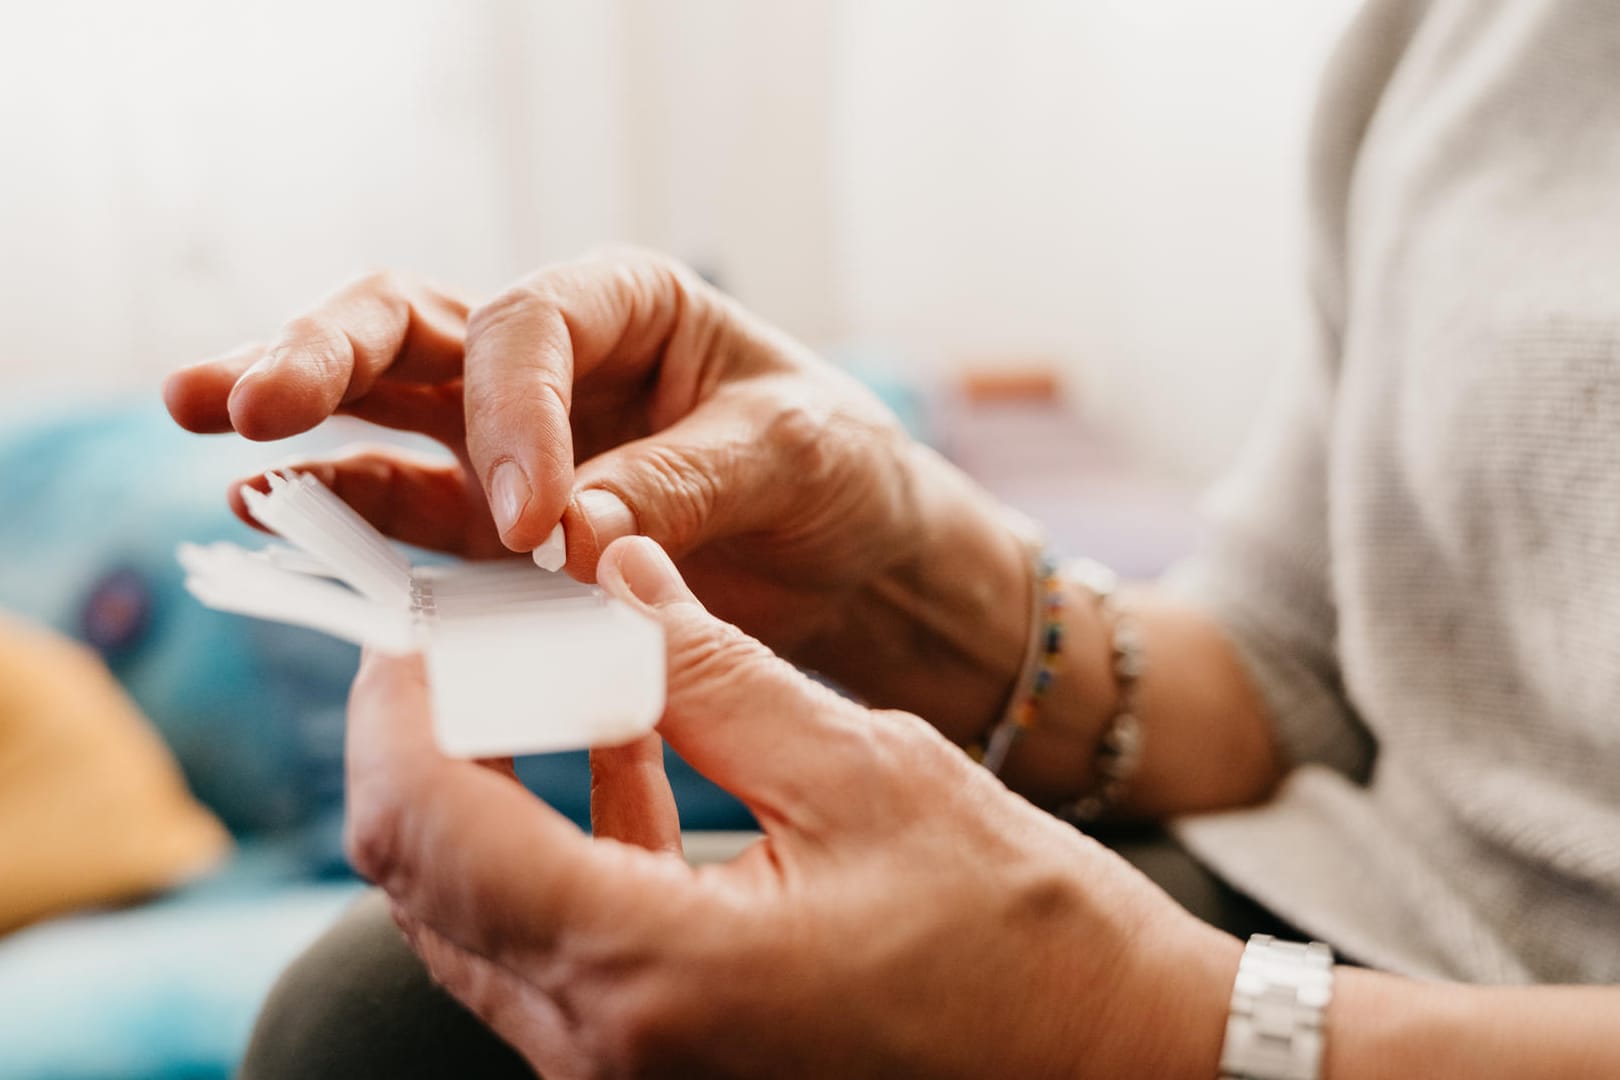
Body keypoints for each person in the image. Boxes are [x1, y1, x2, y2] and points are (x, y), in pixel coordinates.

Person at [163, 0, 1620, 1075]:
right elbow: (1303, 671)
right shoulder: (1464, 33)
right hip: (1347, 914)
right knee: (380, 1030)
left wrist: (1161, 1025)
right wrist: (903, 567)